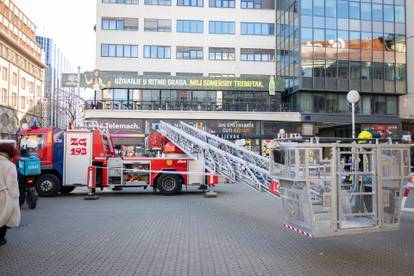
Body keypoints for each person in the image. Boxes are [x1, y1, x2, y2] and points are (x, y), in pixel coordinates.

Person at [0, 143, 21, 246]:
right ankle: (1, 239)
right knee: (3, 218)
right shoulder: (9, 165)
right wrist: (15, 196)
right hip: (3, 197)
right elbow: (12, 184)